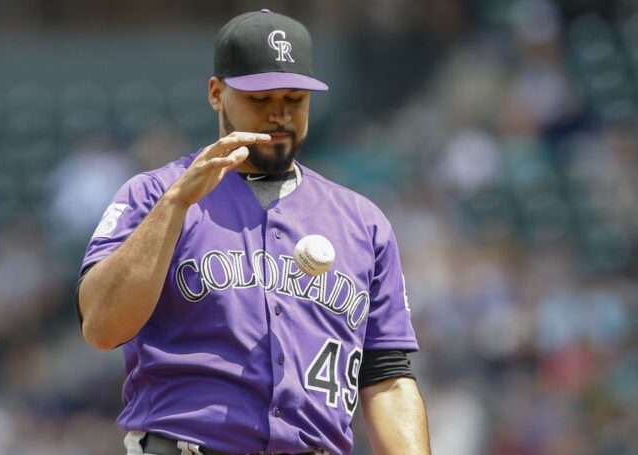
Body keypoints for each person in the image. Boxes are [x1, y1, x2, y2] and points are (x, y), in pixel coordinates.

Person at [76, 9, 430, 455]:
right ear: (216, 92)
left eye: (294, 99)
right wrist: (175, 206)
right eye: (260, 99)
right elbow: (101, 327)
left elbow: (388, 377)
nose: (279, 114)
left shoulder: (363, 222)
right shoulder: (153, 194)